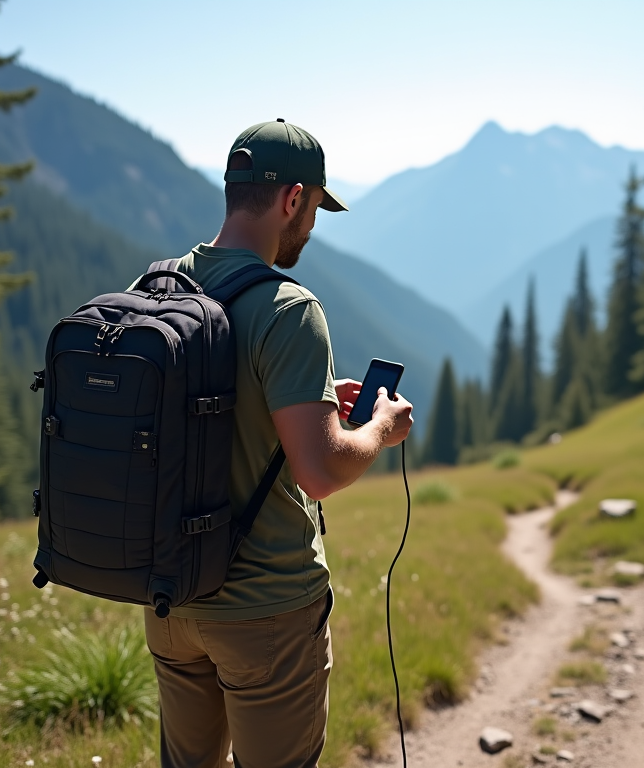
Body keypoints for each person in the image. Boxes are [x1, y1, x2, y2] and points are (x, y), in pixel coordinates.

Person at [142, 119, 414, 768]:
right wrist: (379, 428)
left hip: (169, 598)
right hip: (264, 609)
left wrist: (312, 396)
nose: (314, 225)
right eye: (316, 206)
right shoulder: (289, 309)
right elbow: (318, 473)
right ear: (293, 198)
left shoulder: (158, 287)